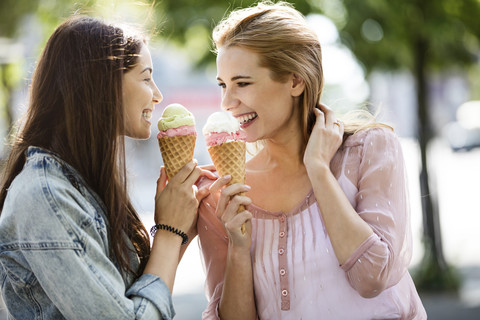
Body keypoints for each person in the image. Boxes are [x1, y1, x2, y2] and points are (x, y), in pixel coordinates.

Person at [196, 1, 427, 319]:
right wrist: (238, 245)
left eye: (242, 83)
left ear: (295, 81)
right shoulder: (224, 193)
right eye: (223, 85)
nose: (227, 102)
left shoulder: (369, 150)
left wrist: (318, 169)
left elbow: (372, 278)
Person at [0, 16, 214, 319]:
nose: (157, 94)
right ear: (102, 84)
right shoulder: (45, 194)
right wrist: (168, 232)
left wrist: (180, 229)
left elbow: (134, 294)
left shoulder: (81, 183)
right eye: (145, 77)